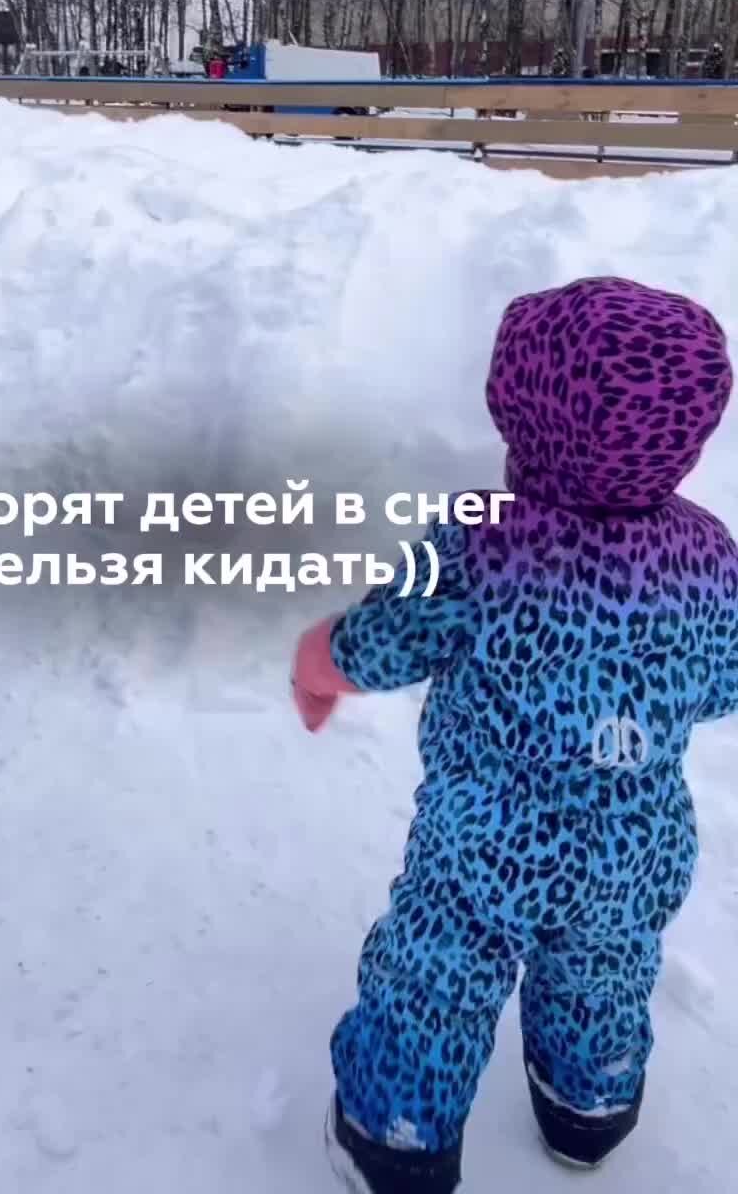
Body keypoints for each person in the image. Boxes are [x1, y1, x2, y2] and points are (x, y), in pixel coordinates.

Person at [291, 276, 737, 1193]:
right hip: (636, 845)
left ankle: (393, 1137)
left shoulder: (478, 537)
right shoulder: (711, 554)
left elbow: (389, 638)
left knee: (438, 975)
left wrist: (320, 658)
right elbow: (725, 684)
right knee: (604, 972)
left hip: (484, 845)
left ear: (525, 416)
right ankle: (590, 1109)